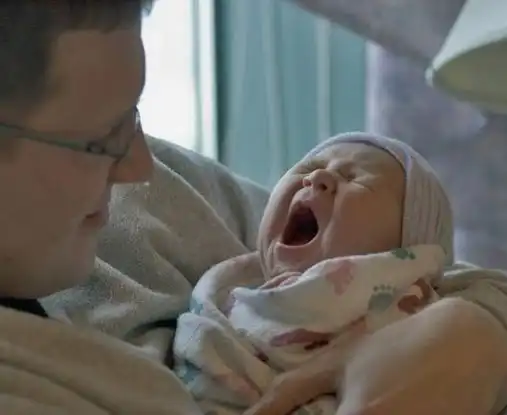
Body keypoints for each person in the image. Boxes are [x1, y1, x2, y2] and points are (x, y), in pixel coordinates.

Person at [0, 2, 507, 415]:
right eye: (102, 138)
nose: (139, 167)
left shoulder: (167, 198)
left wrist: (479, 338)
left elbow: (467, 287)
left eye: (134, 118)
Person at [173, 132, 451, 414]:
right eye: (308, 168)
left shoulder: (416, 314)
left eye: (353, 178)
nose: (317, 177)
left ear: (407, 247)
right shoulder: (223, 298)